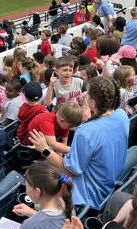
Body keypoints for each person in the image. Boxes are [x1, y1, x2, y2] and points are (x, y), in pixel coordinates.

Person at [39, 77, 129, 211]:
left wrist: (44, 149)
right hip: (109, 184)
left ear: (92, 102)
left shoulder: (85, 132)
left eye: (87, 92)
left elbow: (70, 170)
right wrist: (89, 120)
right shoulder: (122, 115)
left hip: (87, 197)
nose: (84, 94)